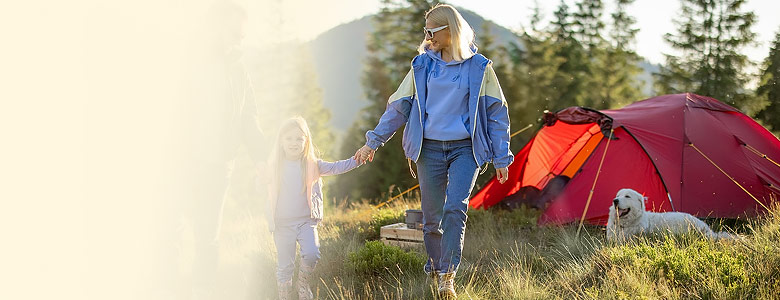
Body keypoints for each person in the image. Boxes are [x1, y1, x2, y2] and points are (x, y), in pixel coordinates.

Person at [354, 4, 513, 298]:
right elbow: (398, 108)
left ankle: (447, 276)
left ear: (449, 31)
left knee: (455, 207)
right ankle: (437, 268)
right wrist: (372, 141)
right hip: (430, 150)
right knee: (431, 218)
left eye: (432, 31)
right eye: (426, 31)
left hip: (466, 149)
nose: (427, 37)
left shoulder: (479, 68)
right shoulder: (421, 66)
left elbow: (496, 113)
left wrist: (501, 156)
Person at [263, 117, 362, 300]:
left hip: (306, 221)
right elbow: (261, 186)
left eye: (299, 139)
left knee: (311, 253)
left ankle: (302, 285)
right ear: (281, 142)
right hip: (282, 224)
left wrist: (357, 160)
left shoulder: (312, 165)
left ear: (306, 141)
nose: (294, 143)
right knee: (285, 266)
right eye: (289, 139)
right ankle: (284, 295)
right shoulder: (274, 166)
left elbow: (336, 167)